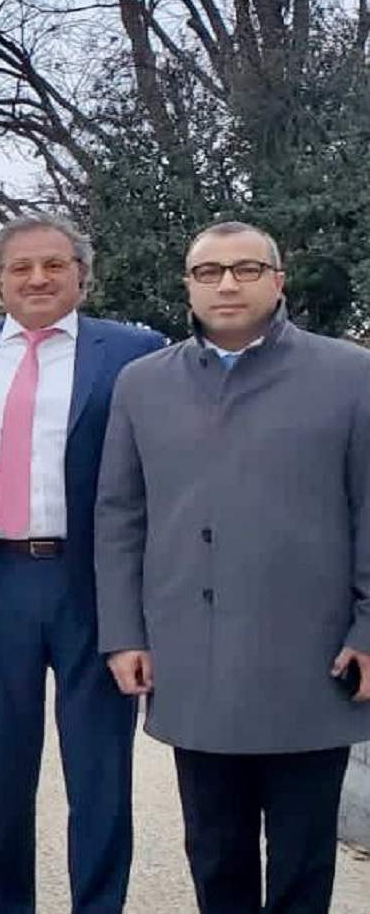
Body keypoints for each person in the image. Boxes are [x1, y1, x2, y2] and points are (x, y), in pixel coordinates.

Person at [96, 221, 370, 913]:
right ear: (187, 285)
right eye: (208, 271)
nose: (226, 284)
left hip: (311, 657)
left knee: (304, 854)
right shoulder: (142, 384)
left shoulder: (351, 374)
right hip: (196, 652)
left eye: (246, 269)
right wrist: (125, 633)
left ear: (278, 281)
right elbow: (120, 515)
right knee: (214, 850)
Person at [0, 215, 164, 913]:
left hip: (96, 581)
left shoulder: (134, 351)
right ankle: (0, 902)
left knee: (99, 766)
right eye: (20, 268)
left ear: (81, 272)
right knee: (2, 766)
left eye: (54, 265)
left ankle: (98, 903)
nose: (38, 279)